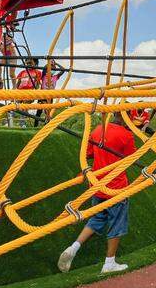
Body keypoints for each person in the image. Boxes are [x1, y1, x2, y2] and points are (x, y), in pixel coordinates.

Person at [57, 114, 138, 274]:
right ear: (127, 118)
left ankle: (73, 249)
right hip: (116, 188)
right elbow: (131, 157)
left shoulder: (98, 130)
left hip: (97, 185)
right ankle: (109, 263)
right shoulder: (126, 135)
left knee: (97, 219)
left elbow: (88, 153)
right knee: (117, 224)